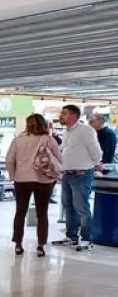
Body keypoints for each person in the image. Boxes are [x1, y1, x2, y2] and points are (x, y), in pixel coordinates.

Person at [6, 114, 62, 257]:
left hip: (22, 180)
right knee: (42, 213)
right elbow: (59, 159)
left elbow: (10, 160)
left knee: (20, 212)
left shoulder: (18, 140)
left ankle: (18, 245)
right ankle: (41, 246)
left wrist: (13, 176)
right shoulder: (49, 139)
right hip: (44, 181)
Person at [53, 105, 103, 252]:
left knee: (82, 208)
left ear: (74, 115)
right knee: (68, 207)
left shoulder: (85, 130)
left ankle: (87, 239)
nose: (61, 116)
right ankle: (71, 236)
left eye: (64, 113)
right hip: (68, 174)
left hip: (82, 174)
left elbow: (96, 150)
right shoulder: (66, 132)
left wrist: (93, 164)